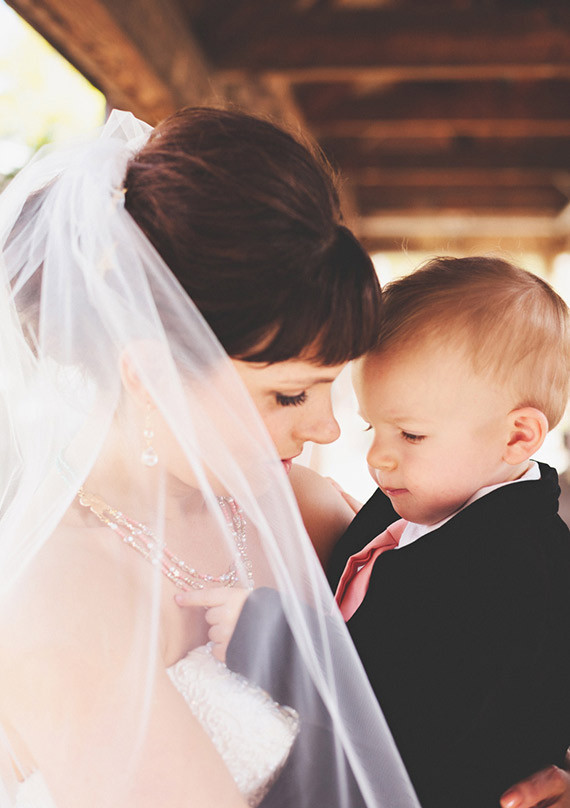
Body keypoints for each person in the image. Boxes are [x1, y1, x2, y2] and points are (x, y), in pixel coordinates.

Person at [0, 107, 419, 808]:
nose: (328, 430)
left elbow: (446, 679)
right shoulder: (59, 599)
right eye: (290, 395)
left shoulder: (308, 513)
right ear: (152, 376)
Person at [330, 256, 570, 808]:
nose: (377, 457)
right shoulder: (413, 501)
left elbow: (423, 712)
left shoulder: (519, 567)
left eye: (410, 434)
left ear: (518, 436)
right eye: (372, 427)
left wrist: (271, 636)